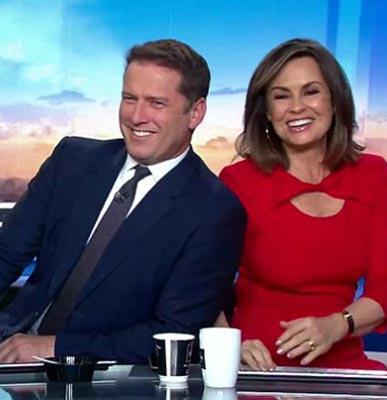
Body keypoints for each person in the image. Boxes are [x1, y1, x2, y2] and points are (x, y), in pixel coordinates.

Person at [0, 39, 247, 363]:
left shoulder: (214, 211)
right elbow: (6, 253)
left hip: (106, 374)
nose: (137, 116)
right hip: (9, 345)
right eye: (129, 98)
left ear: (195, 113)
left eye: (156, 103)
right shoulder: (72, 160)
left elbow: (174, 332)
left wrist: (56, 347)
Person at [219, 38, 387, 370]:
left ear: (335, 100)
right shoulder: (239, 181)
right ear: (266, 111)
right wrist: (231, 344)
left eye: (311, 91)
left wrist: (337, 325)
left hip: (343, 366)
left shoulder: (371, 174)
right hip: (258, 367)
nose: (296, 107)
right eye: (281, 96)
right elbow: (199, 285)